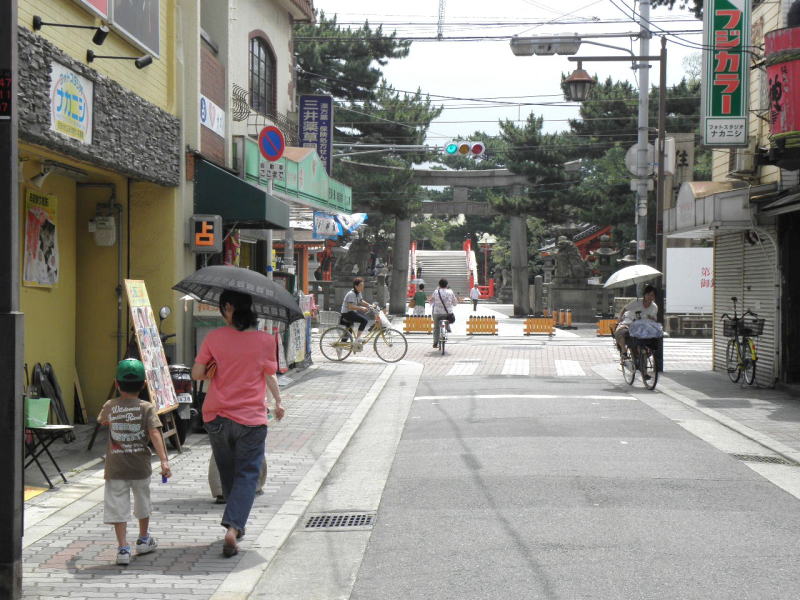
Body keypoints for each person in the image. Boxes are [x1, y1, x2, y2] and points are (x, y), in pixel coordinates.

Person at [191, 290, 284, 558]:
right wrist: (278, 401)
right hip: (251, 420)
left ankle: (234, 523)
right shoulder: (266, 341)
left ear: (228, 308)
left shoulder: (214, 337)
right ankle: (233, 527)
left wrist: (213, 368)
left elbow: (197, 373)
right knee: (247, 475)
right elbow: (269, 375)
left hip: (217, 417)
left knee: (229, 472)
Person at [97, 358, 171, 566]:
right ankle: (144, 538)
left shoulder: (110, 406)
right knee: (142, 502)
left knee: (117, 506)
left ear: (117, 384)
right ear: (144, 385)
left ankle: (122, 548)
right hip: (140, 467)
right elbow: (155, 433)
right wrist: (164, 461)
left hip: (116, 468)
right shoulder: (147, 407)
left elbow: (102, 420)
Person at [614, 284, 658, 358]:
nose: (650, 297)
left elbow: (654, 319)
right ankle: (624, 351)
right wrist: (620, 317)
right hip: (629, 322)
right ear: (644, 295)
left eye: (652, 295)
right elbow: (624, 309)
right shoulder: (636, 302)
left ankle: (646, 351)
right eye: (648, 294)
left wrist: (651, 319)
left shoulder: (654, 307)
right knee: (620, 332)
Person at [340, 277, 371, 350]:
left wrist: (369, 305)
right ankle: (358, 339)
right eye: (361, 286)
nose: (362, 288)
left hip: (350, 312)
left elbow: (361, 301)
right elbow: (350, 307)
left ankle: (340, 346)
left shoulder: (358, 293)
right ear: (356, 286)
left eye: (363, 286)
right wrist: (361, 308)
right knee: (364, 320)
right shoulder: (351, 294)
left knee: (349, 331)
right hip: (346, 313)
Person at [429, 278, 458, 349]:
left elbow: (431, 301)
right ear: (447, 285)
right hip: (447, 313)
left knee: (436, 327)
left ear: (439, 285)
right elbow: (455, 303)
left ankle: (435, 343)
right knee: (447, 318)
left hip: (437, 313)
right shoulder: (450, 292)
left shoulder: (436, 292)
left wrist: (432, 302)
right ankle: (447, 327)